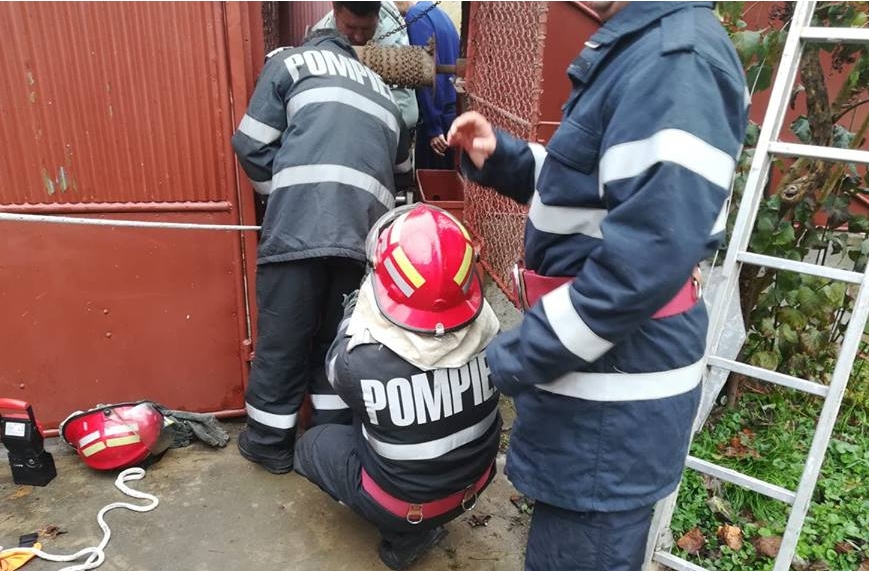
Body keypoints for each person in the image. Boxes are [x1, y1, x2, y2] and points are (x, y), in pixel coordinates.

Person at [447, 2, 749, 570]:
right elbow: (591, 186)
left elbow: (644, 263)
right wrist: (505, 158)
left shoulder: (676, 63)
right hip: (603, 403)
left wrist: (519, 353)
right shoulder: (644, 50)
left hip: (611, 414)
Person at [231, 28, 410, 474]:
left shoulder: (289, 64)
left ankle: (269, 444)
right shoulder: (385, 93)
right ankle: (328, 440)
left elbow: (250, 143)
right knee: (336, 342)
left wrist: (285, 193)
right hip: (361, 239)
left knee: (283, 339)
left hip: (297, 231)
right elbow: (403, 177)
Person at [294, 204, 502, 570]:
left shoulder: (356, 362)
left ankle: (406, 537)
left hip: (409, 508)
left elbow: (341, 349)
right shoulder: (492, 331)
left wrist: (357, 303)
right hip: (476, 483)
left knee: (311, 447)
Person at [312, 2, 419, 133]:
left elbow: (408, 114)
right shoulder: (318, 43)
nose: (358, 37)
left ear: (377, 17)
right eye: (350, 27)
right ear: (335, 12)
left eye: (366, 28)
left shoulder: (393, 41)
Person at [395, 1, 460, 170]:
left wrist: (433, 126)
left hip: (438, 116)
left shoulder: (416, 16)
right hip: (452, 111)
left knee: (429, 178)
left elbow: (427, 72)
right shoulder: (440, 15)